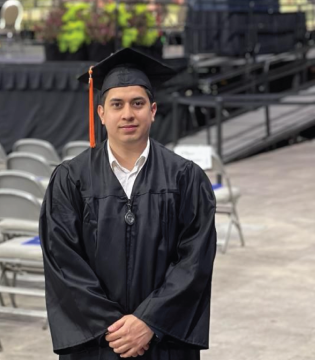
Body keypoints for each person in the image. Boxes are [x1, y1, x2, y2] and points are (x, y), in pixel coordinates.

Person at [40, 48, 217, 360]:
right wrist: (117, 328)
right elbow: (63, 262)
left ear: (153, 110)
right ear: (101, 114)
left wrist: (149, 321)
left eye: (137, 103)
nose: (127, 114)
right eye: (117, 104)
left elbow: (195, 262)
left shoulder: (185, 177)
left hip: (164, 341)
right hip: (98, 343)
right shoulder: (71, 179)